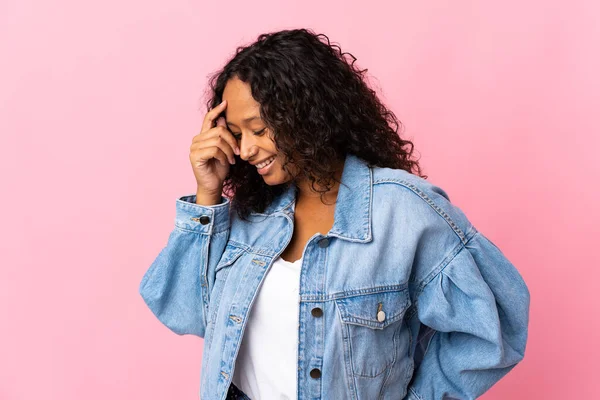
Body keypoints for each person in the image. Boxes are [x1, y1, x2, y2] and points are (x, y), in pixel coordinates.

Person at [139, 28, 530, 400]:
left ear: (306, 114)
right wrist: (207, 194)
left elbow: (492, 333)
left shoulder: (403, 211)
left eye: (258, 130)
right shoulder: (248, 213)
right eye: (237, 135)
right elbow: (183, 312)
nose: (244, 151)